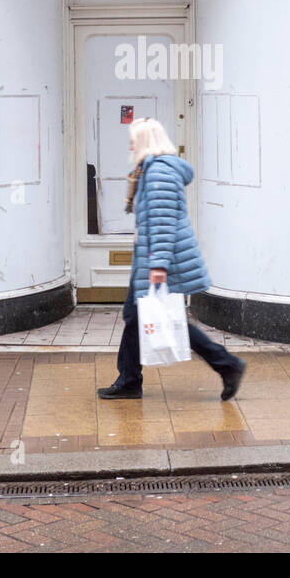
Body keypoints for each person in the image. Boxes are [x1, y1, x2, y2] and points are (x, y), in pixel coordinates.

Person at [98, 117, 247, 401]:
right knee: (134, 316)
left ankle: (227, 364)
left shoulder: (159, 173)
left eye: (134, 137)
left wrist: (158, 265)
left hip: (156, 260)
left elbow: (163, 222)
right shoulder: (148, 170)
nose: (130, 143)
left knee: (167, 318)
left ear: (146, 140)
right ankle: (129, 379)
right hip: (148, 259)